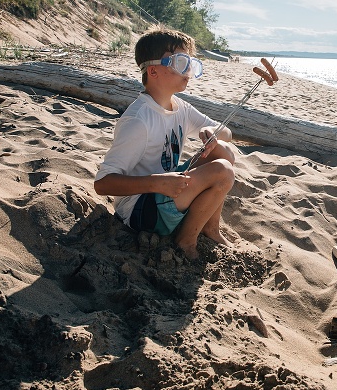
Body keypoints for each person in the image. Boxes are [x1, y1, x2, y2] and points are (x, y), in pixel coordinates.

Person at [94, 28, 236, 259]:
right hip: (140, 210)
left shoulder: (181, 107)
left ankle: (210, 228)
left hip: (167, 190)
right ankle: (185, 241)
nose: (187, 70)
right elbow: (102, 184)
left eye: (190, 63)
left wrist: (212, 131)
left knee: (224, 151)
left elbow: (227, 132)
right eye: (180, 62)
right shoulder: (138, 121)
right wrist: (154, 184)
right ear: (153, 70)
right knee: (223, 171)